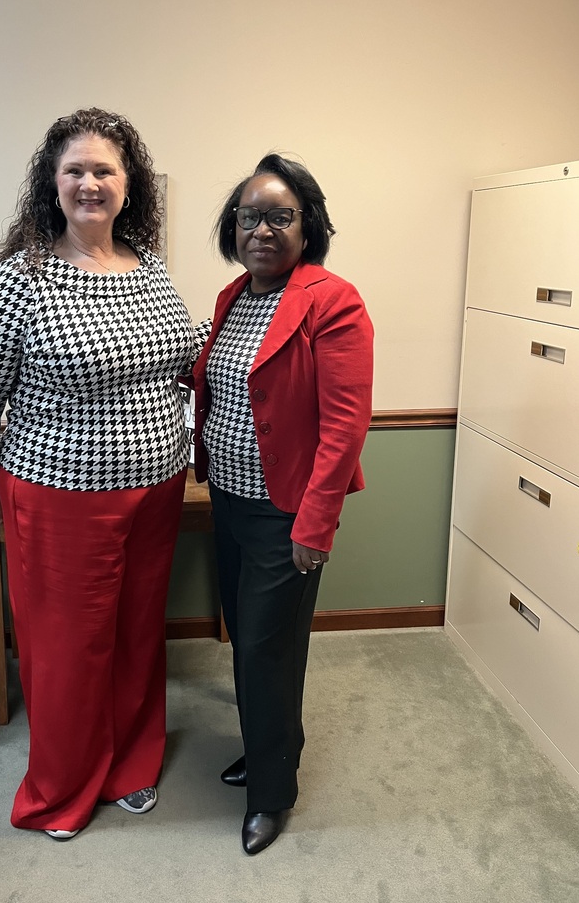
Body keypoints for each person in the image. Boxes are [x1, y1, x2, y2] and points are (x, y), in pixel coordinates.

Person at [0, 108, 206, 840]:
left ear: (130, 186)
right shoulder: (22, 279)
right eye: (76, 170)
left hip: (157, 486)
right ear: (52, 182)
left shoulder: (151, 267)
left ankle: (130, 764)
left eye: (105, 170)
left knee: (134, 634)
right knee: (67, 648)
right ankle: (61, 790)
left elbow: (175, 361)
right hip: (60, 495)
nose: (90, 183)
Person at [192, 153, 374, 855]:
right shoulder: (234, 298)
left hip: (286, 512)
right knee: (253, 641)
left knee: (263, 651)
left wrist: (317, 521)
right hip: (232, 501)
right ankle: (275, 749)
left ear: (308, 226)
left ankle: (272, 793)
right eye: (249, 216)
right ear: (232, 227)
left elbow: (345, 421)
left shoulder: (333, 299)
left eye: (280, 216)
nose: (261, 229)